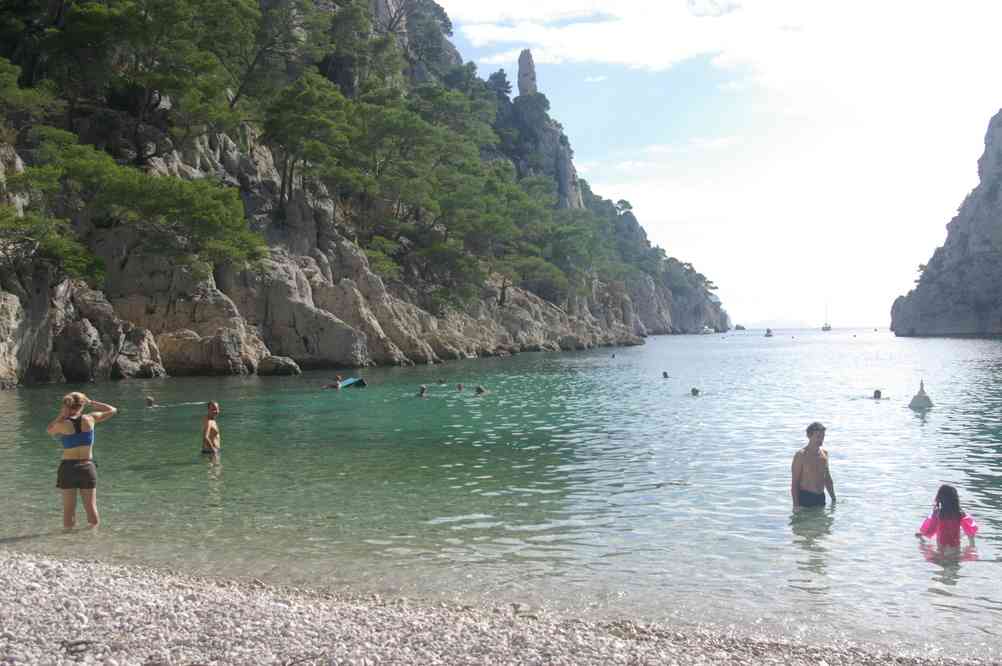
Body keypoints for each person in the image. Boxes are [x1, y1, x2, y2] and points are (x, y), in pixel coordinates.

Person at [46, 392, 117, 528]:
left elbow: (49, 430)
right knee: (91, 507)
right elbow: (112, 410)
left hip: (68, 468)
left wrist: (61, 415)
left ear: (66, 406)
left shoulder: (62, 424)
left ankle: (67, 538)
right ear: (82, 405)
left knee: (68, 510)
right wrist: (91, 402)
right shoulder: (91, 418)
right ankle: (94, 536)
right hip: (87, 467)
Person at [916, 484, 978, 550]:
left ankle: (921, 540)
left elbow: (930, 528)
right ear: (955, 499)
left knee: (924, 547)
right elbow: (970, 529)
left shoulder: (938, 513)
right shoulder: (960, 513)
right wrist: (972, 545)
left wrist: (922, 535)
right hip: (955, 546)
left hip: (941, 547)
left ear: (940, 498)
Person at [791, 421, 836, 511]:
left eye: (823, 437)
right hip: (805, 497)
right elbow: (795, 483)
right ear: (809, 436)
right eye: (818, 437)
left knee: (822, 520)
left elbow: (827, 479)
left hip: (820, 498)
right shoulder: (801, 455)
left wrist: (833, 499)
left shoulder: (824, 454)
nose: (821, 439)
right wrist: (795, 505)